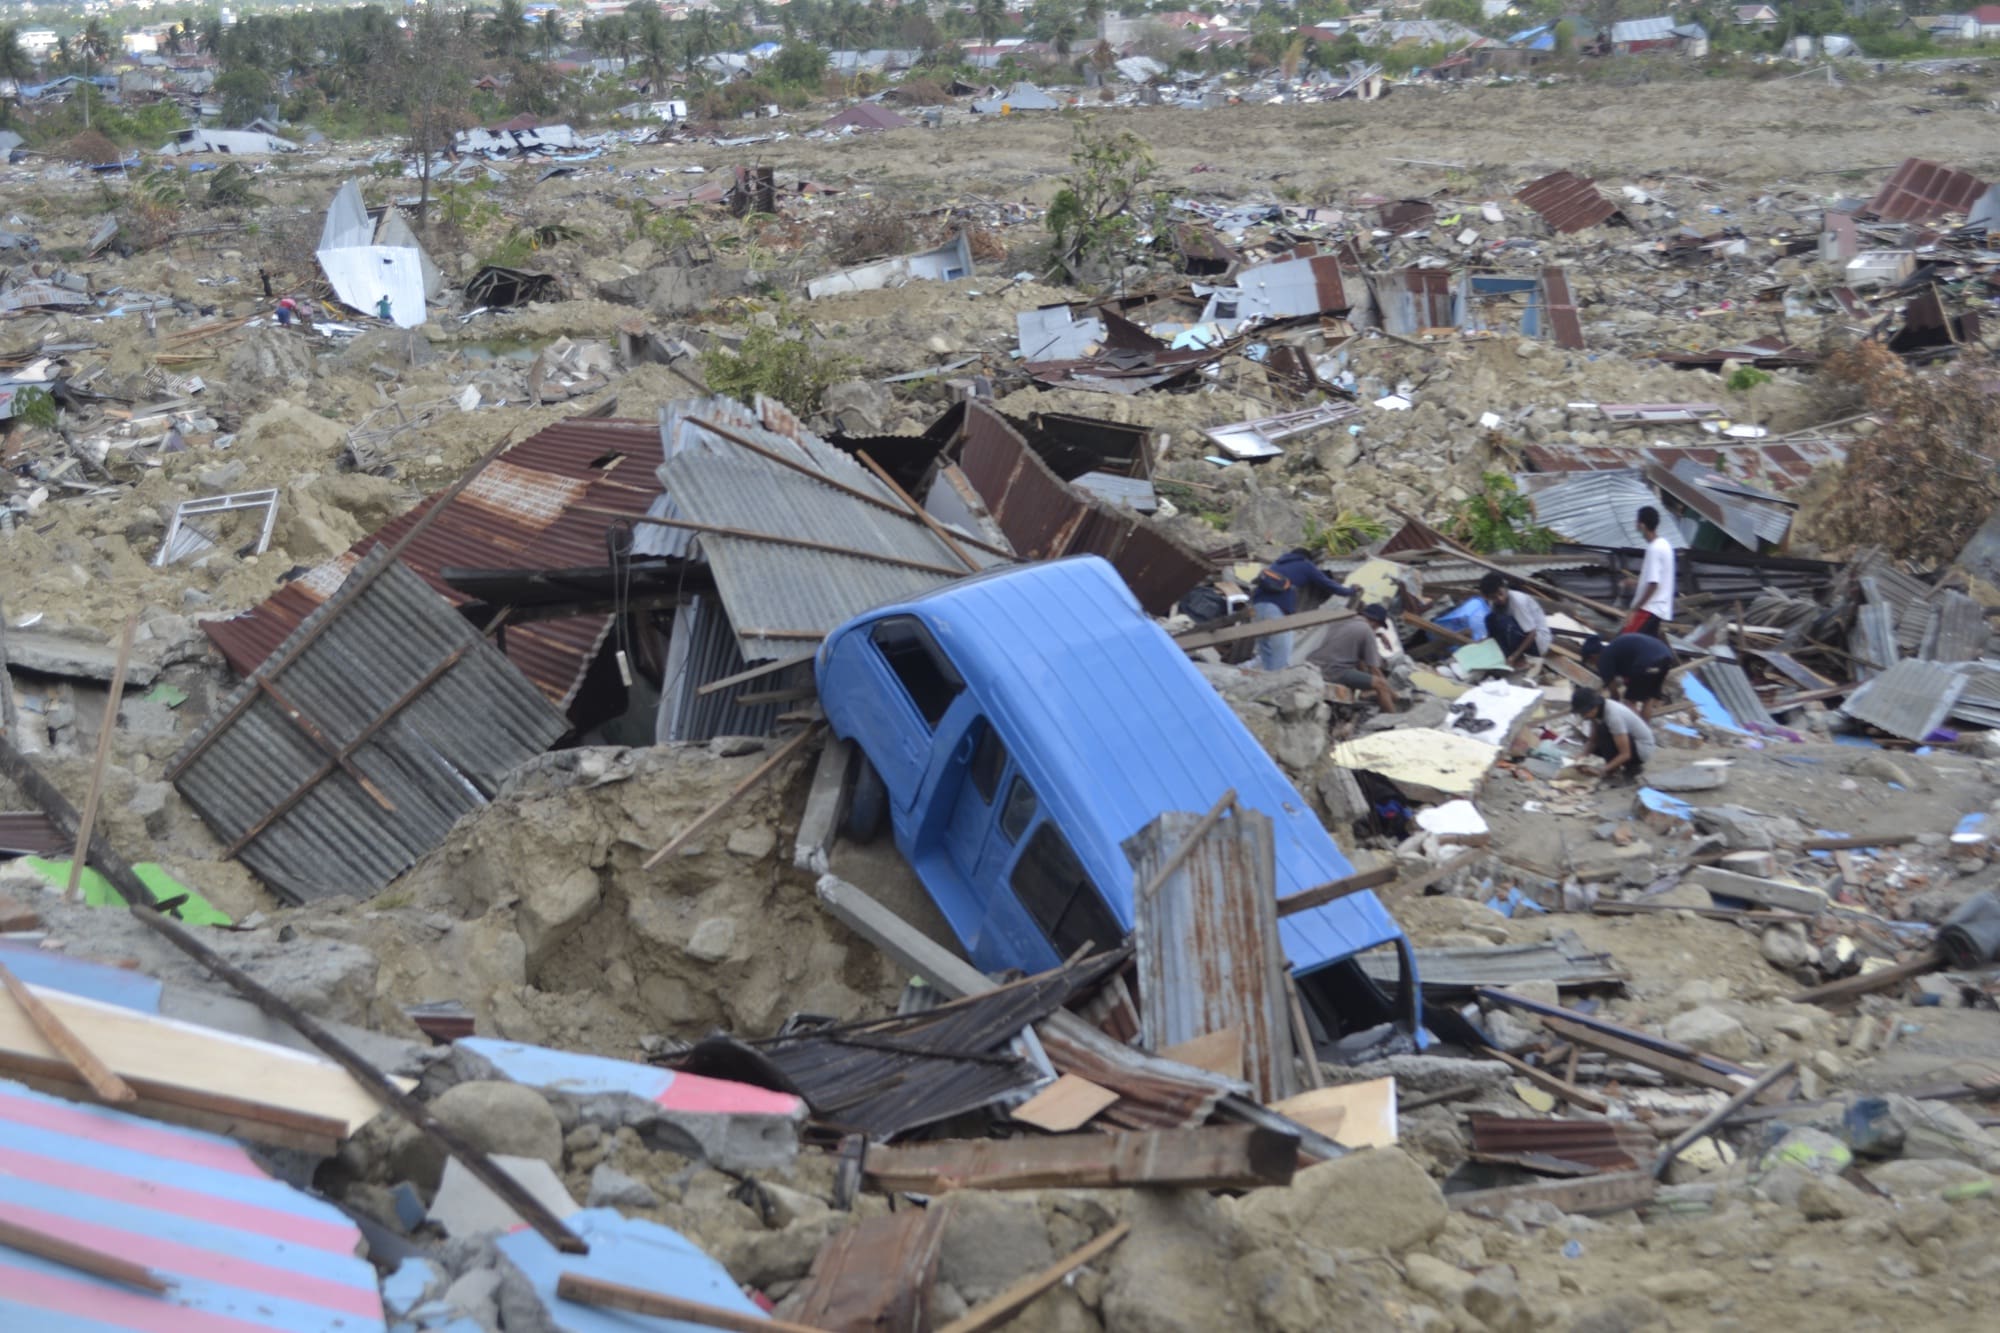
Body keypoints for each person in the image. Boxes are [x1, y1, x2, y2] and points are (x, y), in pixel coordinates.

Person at [1248, 548, 1354, 672]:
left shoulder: (1277, 564)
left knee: (1266, 650)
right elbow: (1328, 584)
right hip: (1275, 609)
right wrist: (1350, 591)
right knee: (1281, 653)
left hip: (1257, 607)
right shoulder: (1305, 565)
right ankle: (1277, 684)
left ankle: (1264, 681)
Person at [1307, 603, 1398, 714]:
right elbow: (1374, 669)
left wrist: (1378, 635)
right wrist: (1392, 694)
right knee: (1381, 684)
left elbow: (1354, 640)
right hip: (1334, 671)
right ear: (1375, 622)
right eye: (1378, 627)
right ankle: (1392, 717)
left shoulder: (1343, 619)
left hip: (1314, 664)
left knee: (1359, 661)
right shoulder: (1366, 630)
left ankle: (1365, 692)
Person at [1581, 632, 1674, 721]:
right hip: (1666, 658)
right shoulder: (1613, 648)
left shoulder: (1603, 660)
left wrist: (1607, 711)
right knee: (1648, 698)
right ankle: (1644, 730)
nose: (1593, 665)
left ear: (1592, 656)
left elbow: (1615, 695)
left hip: (1646, 662)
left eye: (1590, 662)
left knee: (1630, 701)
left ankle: (1634, 732)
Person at [1572, 685, 1654, 784]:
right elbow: (1592, 741)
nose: (1583, 716)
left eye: (1584, 713)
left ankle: (1624, 769)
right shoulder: (1598, 713)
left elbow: (1625, 754)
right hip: (1628, 744)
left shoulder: (1613, 715)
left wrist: (1602, 770)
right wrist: (1582, 756)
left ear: (1594, 707)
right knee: (1594, 739)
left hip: (1642, 749)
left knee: (1603, 730)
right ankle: (1613, 767)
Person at [1625, 506, 1674, 638]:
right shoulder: (1665, 545)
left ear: (1642, 525)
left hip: (1649, 609)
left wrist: (1634, 609)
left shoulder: (1654, 549)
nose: (1635, 526)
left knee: (1624, 643)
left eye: (1636, 522)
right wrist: (1637, 582)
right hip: (1657, 610)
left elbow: (1654, 584)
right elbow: (1659, 579)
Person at [1478, 571, 1550, 662]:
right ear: (1488, 597)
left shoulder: (1518, 600)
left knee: (1504, 622)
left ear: (1505, 588)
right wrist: (1484, 640)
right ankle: (1502, 654)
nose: (1500, 599)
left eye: (1500, 594)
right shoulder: (1493, 603)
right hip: (1518, 636)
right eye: (1494, 597)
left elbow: (1532, 633)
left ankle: (1513, 656)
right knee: (1490, 619)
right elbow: (1493, 627)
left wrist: (1514, 656)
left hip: (1537, 642)